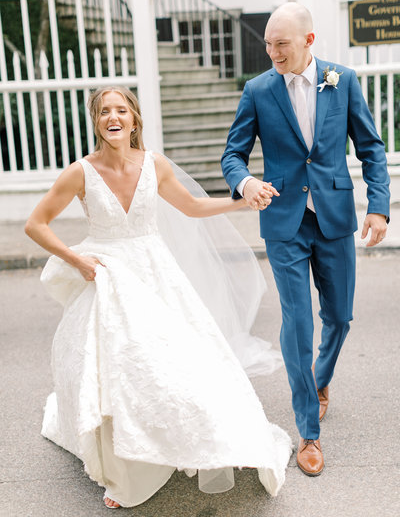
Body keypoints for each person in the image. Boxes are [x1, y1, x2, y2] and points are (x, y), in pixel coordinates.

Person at [25, 86, 292, 509]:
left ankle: (199, 439)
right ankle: (125, 470)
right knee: (120, 369)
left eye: (121, 110)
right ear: (97, 122)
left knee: (178, 365)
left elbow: (191, 207)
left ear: (134, 120)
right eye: (105, 112)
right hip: (108, 275)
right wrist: (76, 259)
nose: (113, 118)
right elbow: (36, 225)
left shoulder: (155, 164)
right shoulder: (80, 172)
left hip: (156, 273)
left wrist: (240, 203)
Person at [221, 2, 390, 477]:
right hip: (284, 223)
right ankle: (308, 433)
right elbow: (232, 155)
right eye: (268, 44)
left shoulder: (344, 80)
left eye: (282, 44)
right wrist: (245, 182)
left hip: (334, 217)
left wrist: (378, 206)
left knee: (338, 317)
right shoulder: (257, 91)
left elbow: (371, 148)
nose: (273, 52)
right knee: (297, 323)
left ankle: (321, 378)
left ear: (309, 41)